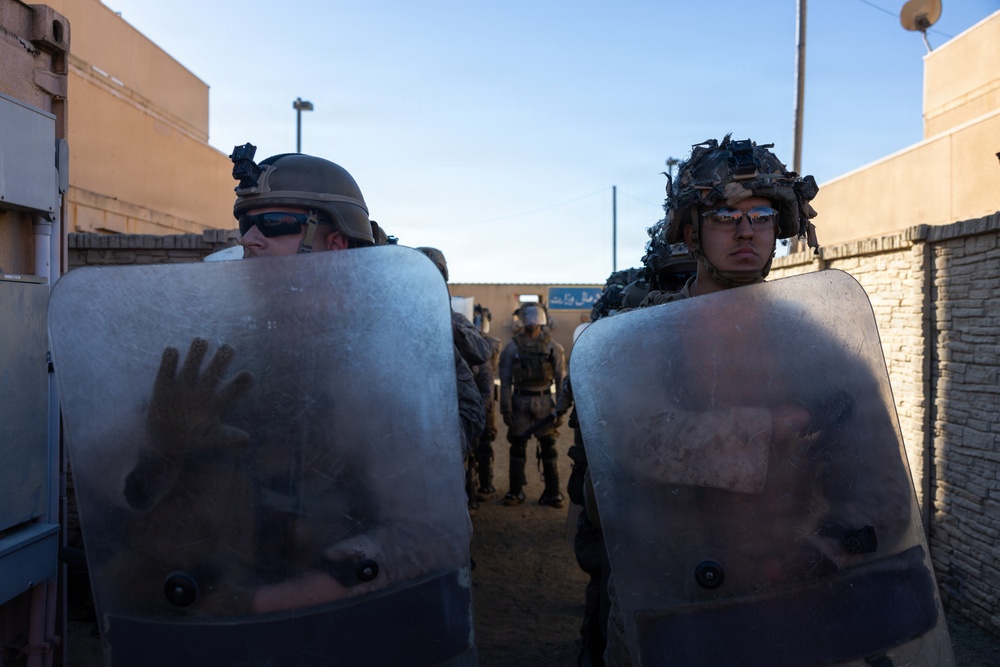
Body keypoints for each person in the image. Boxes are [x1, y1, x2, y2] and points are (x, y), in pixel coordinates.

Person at [574, 136, 951, 666]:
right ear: (691, 230)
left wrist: (818, 553)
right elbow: (636, 439)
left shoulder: (817, 345)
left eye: (762, 215)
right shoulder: (643, 339)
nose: (747, 230)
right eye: (726, 214)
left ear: (780, 228)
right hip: (673, 602)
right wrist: (776, 424)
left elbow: (882, 489)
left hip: (792, 603)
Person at [415, 246, 491, 512]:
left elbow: (482, 352)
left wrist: (445, 320)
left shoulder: (456, 320)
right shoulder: (399, 318)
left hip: (449, 419)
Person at [498, 302, 567, 507]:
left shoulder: (553, 347)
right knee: (517, 446)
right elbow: (505, 381)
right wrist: (506, 408)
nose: (532, 321)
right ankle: (515, 492)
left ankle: (553, 493)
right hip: (520, 402)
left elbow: (561, 380)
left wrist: (560, 408)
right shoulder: (512, 347)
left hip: (545, 402)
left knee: (548, 447)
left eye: (535, 317)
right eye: (528, 317)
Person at [471, 304, 502, 501]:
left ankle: (486, 484)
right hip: (469, 396)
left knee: (485, 442)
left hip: (486, 397)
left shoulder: (492, 343)